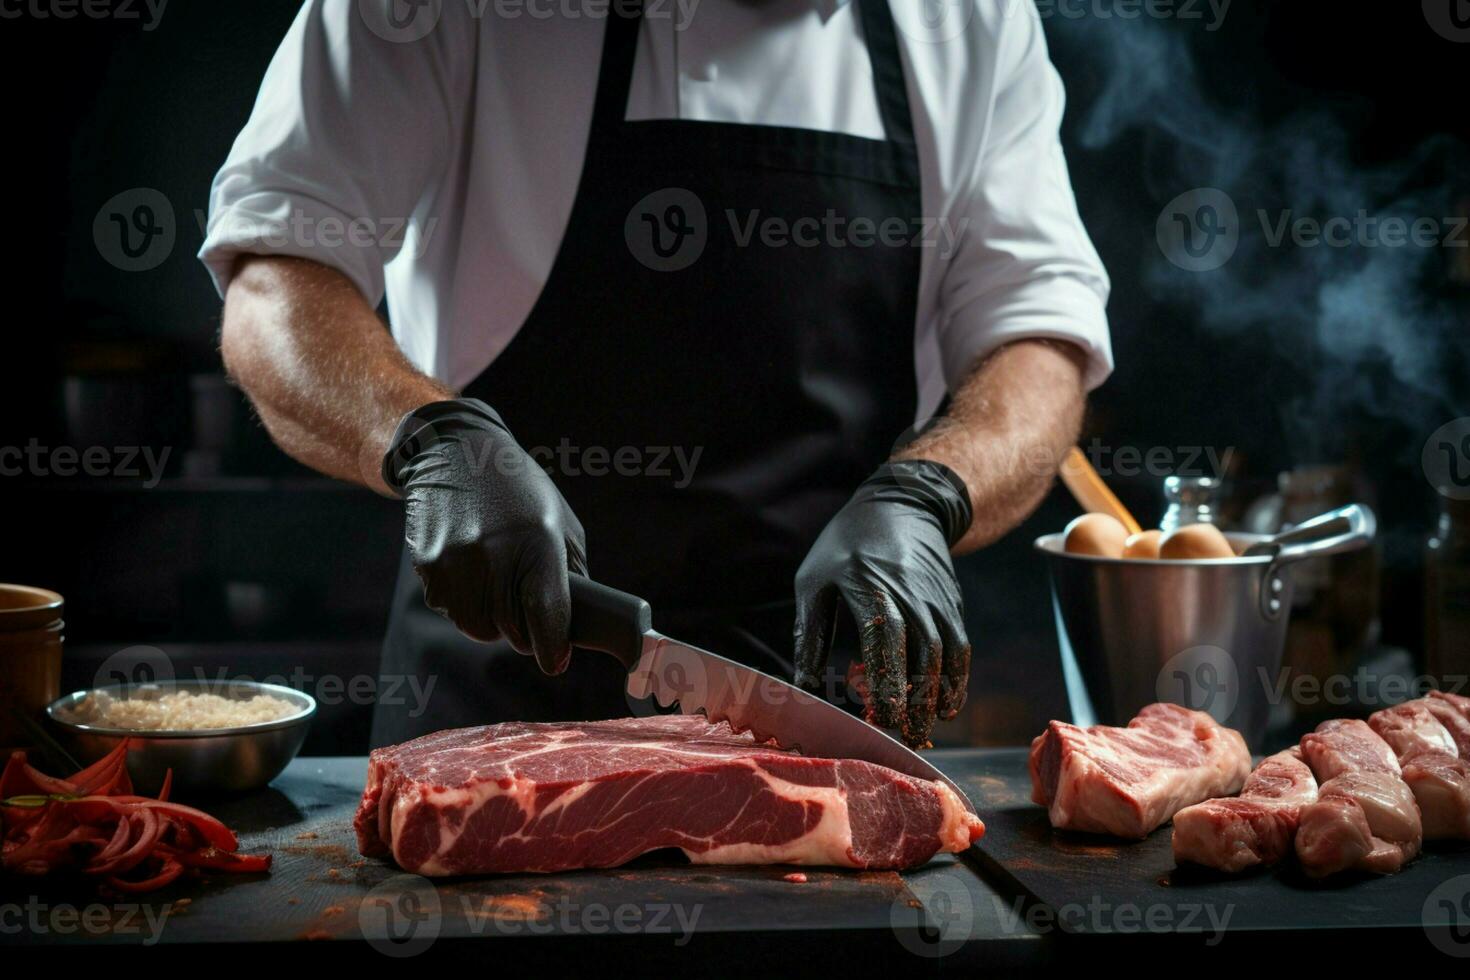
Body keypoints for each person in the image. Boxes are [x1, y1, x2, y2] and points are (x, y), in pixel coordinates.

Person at [200, 0, 1112, 749]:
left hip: (825, 733)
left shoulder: (974, 21)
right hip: (501, 712)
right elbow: (277, 276)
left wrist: (929, 493)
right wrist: (436, 445)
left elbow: (1038, 338)